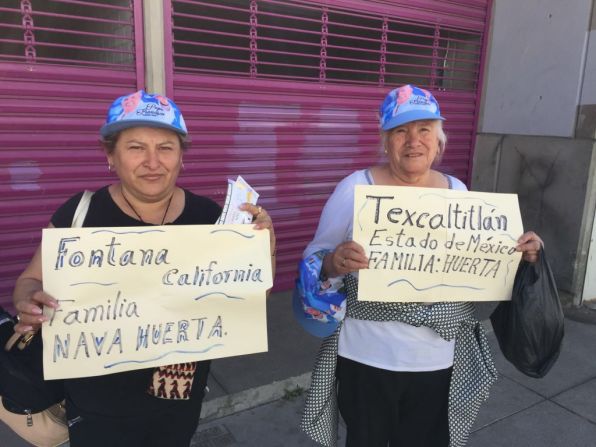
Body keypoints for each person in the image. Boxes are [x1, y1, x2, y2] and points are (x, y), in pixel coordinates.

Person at [12, 90, 276, 447]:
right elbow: (30, 280)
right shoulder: (81, 214)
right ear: (111, 156)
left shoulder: (209, 218)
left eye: (166, 148)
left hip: (177, 394)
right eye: (136, 147)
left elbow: (250, 297)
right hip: (95, 398)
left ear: (181, 157)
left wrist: (265, 246)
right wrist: (29, 299)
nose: (153, 161)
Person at [299, 84, 543, 447]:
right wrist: (333, 264)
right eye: (401, 131)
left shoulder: (457, 192)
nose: (413, 141)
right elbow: (314, 259)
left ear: (438, 140)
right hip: (366, 355)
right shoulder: (355, 189)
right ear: (386, 141)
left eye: (424, 130)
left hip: (435, 358)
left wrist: (520, 253)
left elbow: (474, 258)